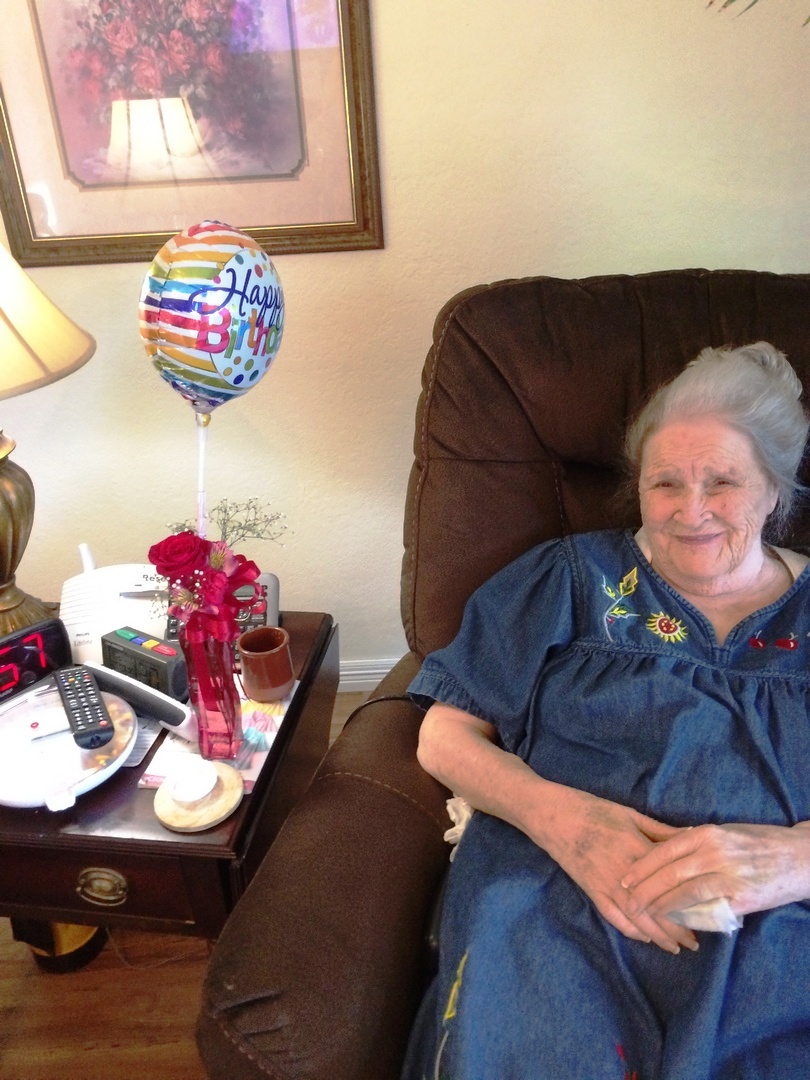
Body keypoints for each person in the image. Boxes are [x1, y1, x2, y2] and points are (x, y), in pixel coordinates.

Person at [402, 342, 810, 1080]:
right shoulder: (570, 580)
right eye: (665, 483)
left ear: (774, 492)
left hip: (778, 928)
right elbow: (444, 733)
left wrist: (795, 860)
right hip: (558, 897)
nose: (690, 511)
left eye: (723, 482)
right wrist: (565, 820)